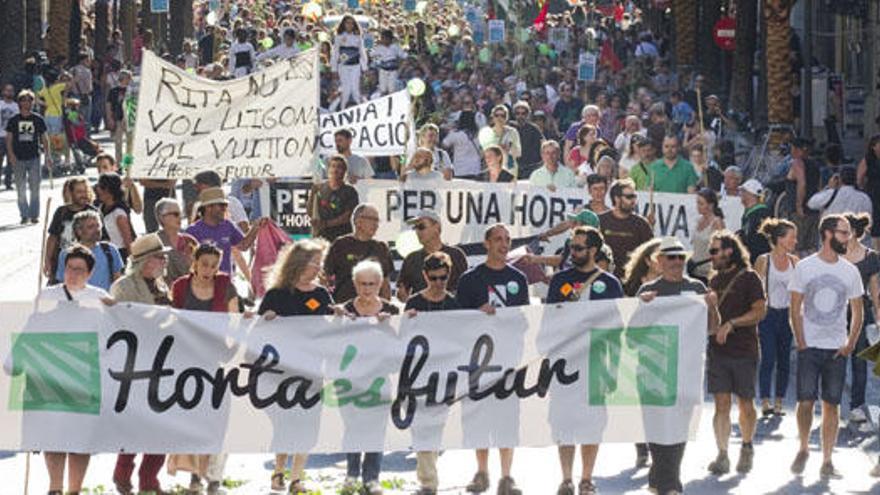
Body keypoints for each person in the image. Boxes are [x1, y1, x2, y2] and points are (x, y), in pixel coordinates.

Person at [636, 237, 718, 495]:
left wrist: (712, 308)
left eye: (681, 257)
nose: (676, 262)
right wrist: (642, 307)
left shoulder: (697, 288)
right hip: (653, 369)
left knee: (680, 423)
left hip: (686, 367)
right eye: (670, 257)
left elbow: (713, 328)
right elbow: (632, 334)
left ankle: (667, 479)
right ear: (659, 261)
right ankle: (667, 480)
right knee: (657, 424)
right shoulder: (647, 291)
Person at [547, 226, 624, 495]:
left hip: (597, 364)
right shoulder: (559, 281)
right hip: (565, 364)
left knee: (592, 424)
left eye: (578, 248)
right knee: (564, 422)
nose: (572, 252)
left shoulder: (610, 284)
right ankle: (566, 478)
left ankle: (586, 479)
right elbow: (548, 321)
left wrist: (614, 370)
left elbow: (616, 330)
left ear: (593, 250)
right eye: (571, 247)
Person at [455, 224, 529, 495]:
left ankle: (507, 477)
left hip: (509, 358)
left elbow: (524, 319)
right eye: (498, 239)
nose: (504, 244)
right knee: (478, 417)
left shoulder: (518, 278)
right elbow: (456, 321)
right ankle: (482, 472)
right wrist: (477, 313)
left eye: (507, 240)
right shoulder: (470, 279)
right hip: (477, 360)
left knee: (508, 419)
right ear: (486, 243)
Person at [789, 214, 864, 478]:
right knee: (805, 401)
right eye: (844, 233)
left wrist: (850, 343)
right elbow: (794, 307)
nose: (848, 238)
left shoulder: (850, 271)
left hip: (836, 347)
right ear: (828, 234)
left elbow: (858, 310)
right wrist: (801, 341)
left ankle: (828, 459)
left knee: (832, 404)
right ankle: (803, 447)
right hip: (809, 345)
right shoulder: (805, 267)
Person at [259, 239, 335, 494]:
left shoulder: (321, 294)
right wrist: (266, 320)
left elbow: (329, 327)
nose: (318, 267)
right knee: (284, 424)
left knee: (308, 424)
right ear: (299, 264)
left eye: (319, 263)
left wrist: (339, 317)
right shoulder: (276, 295)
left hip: (313, 371)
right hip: (282, 373)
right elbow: (256, 333)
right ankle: (278, 472)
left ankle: (297, 478)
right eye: (315, 262)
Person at [168, 243, 238, 495]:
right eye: (204, 264)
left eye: (214, 265)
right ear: (194, 263)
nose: (209, 269)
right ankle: (196, 477)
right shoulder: (180, 287)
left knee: (219, 421)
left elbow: (235, 319)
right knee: (193, 419)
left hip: (218, 362)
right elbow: (173, 320)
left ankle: (215, 477)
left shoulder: (225, 285)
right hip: (188, 362)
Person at [110, 234, 173, 495]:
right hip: (136, 365)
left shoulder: (161, 285)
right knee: (136, 425)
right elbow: (122, 321)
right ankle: (122, 474)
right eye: (159, 256)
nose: (164, 260)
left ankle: (150, 479)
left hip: (164, 363)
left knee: (164, 424)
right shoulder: (124, 287)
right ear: (145, 261)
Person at [705, 231, 767, 476]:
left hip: (744, 350)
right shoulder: (714, 280)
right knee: (721, 403)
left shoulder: (749, 277)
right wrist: (710, 309)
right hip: (718, 351)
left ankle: (746, 445)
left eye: (714, 251)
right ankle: (722, 453)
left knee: (745, 403)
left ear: (729, 251)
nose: (711, 257)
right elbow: (712, 320)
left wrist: (732, 324)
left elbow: (760, 311)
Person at [405, 252, 461, 495]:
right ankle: (428, 481)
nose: (439, 283)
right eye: (434, 278)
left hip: (446, 372)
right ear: (425, 276)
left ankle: (429, 475)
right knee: (420, 425)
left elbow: (463, 335)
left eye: (443, 278)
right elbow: (403, 337)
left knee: (437, 425)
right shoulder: (414, 303)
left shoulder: (454, 303)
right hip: (419, 373)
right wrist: (407, 321)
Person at [341, 259, 399, 495]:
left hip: (379, 378)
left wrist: (389, 326)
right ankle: (352, 474)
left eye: (372, 284)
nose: (367, 289)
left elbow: (401, 345)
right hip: (350, 379)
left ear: (380, 284)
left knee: (376, 427)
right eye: (362, 284)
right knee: (352, 427)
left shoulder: (391, 310)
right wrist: (341, 322)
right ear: (355, 284)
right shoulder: (344, 310)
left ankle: (372, 478)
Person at [753, 219, 799, 416]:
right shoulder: (764, 260)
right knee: (768, 358)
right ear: (780, 239)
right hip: (768, 314)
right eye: (792, 237)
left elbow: (800, 291)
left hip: (787, 315)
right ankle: (764, 400)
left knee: (784, 360)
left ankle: (779, 401)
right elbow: (754, 290)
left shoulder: (795, 262)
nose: (795, 241)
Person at [841, 213, 880, 424]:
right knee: (834, 357)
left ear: (855, 233)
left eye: (845, 231)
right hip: (836, 311)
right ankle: (833, 400)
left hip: (861, 311)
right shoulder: (833, 254)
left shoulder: (870, 256)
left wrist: (878, 314)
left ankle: (856, 405)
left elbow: (874, 288)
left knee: (859, 360)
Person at [324, 203, 393, 305]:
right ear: (358, 221)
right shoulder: (340, 244)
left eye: (377, 220)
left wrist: (386, 307)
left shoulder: (381, 247)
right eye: (372, 219)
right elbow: (326, 276)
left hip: (372, 310)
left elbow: (385, 283)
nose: (376, 224)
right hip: (344, 309)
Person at [186, 187, 264, 275]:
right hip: (203, 284)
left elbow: (243, 246)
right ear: (208, 207)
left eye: (225, 205)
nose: (225, 208)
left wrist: (256, 227)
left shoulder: (228, 225)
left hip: (225, 283)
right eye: (221, 205)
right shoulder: (192, 231)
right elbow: (186, 261)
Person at [397, 209, 468, 301]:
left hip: (450, 312)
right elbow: (402, 294)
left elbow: (467, 288)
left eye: (421, 226)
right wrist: (403, 295)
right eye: (415, 228)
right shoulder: (411, 259)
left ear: (436, 228)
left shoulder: (456, 255)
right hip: (420, 313)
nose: (417, 232)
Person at [6, 89, 50, 224]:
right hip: (18, 157)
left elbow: (44, 138)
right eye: (23, 100)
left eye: (29, 100)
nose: (26, 103)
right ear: (19, 102)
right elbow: (9, 139)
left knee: (35, 186)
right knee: (20, 187)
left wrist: (48, 155)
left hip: (34, 156)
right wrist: (11, 155)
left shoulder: (38, 119)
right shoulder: (14, 120)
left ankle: (34, 214)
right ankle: (24, 214)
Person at [44, 176, 98, 283]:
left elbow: (100, 238)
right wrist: (47, 260)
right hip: (63, 262)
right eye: (79, 192)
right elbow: (53, 237)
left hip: (85, 262)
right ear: (71, 193)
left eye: (85, 191)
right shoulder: (61, 212)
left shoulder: (93, 212)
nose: (83, 195)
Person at [55, 210, 124, 292]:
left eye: (98, 226)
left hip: (104, 302)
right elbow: (63, 282)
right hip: (78, 301)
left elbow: (118, 281)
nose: (97, 230)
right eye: (91, 227)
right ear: (79, 231)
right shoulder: (67, 253)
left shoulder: (110, 250)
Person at [599, 179, 654, 280]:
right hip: (604, 279)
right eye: (629, 197)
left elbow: (651, 255)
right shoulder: (600, 221)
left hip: (631, 281)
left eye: (634, 196)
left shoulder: (641, 224)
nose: (633, 201)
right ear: (616, 199)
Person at [307, 155, 359, 242]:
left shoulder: (350, 191)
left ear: (344, 171)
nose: (335, 170)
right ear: (328, 169)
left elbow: (347, 216)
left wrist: (326, 224)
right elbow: (310, 212)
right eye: (333, 166)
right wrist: (312, 194)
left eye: (339, 167)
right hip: (321, 237)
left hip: (342, 237)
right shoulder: (319, 188)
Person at [786, 137, 821, 254]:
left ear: (796, 149)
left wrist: (799, 205)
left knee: (796, 245)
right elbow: (819, 186)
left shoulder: (797, 163)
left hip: (800, 211)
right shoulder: (815, 164)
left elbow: (802, 183)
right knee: (811, 245)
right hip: (813, 209)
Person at [95, 172, 135, 261]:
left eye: (101, 187)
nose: (98, 189)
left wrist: (132, 260)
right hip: (105, 252)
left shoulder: (118, 213)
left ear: (108, 190)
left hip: (120, 254)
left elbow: (128, 240)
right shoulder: (101, 208)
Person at [155, 197, 197, 282]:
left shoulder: (189, 241)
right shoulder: (154, 242)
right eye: (175, 214)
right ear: (162, 217)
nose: (180, 218)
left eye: (181, 214)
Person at [332, 14, 368, 108]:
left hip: (355, 66)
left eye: (352, 23)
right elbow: (335, 53)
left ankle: (359, 110)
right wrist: (334, 69)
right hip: (343, 66)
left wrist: (364, 67)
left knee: (355, 90)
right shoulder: (339, 37)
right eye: (347, 23)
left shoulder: (358, 36)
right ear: (344, 24)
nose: (350, 25)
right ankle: (343, 110)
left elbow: (362, 52)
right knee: (346, 90)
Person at [807, 166, 873, 217]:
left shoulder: (830, 194)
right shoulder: (864, 198)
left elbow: (811, 203)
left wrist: (828, 187)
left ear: (840, 179)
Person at [690, 189, 725, 282]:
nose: (698, 207)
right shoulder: (698, 220)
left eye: (701, 204)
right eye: (697, 203)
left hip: (708, 273)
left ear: (710, 205)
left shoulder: (717, 223)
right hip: (694, 270)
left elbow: (722, 249)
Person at [736, 179, 772, 262]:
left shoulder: (762, 213)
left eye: (743, 191)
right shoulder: (749, 213)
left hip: (758, 260)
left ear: (749, 194)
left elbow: (759, 240)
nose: (740, 194)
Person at [481, 105, 521, 176]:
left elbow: (518, 153)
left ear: (506, 118)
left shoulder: (512, 132)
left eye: (503, 115)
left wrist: (508, 149)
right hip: (492, 171)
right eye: (497, 115)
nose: (499, 118)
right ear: (493, 117)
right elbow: (482, 154)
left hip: (509, 169)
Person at [856, 134, 880, 249]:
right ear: (873, 146)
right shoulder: (868, 159)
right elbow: (859, 177)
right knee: (875, 220)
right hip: (873, 192)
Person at [443, 111, 483, 179]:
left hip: (460, 169)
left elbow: (444, 145)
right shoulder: (479, 135)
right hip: (475, 169)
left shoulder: (456, 134)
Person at [511, 100, 544, 178]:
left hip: (530, 168)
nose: (520, 116)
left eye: (523, 113)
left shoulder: (534, 129)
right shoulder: (509, 127)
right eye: (517, 113)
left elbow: (542, 145)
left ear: (527, 115)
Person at [105, 69, 131, 165]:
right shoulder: (113, 91)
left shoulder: (131, 90)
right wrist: (109, 118)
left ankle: (128, 163)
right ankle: (119, 163)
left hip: (130, 120)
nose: (129, 80)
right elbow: (108, 105)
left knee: (130, 144)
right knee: (118, 143)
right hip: (118, 118)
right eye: (128, 78)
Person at [371, 29, 406, 95]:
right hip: (383, 70)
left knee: (391, 89)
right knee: (383, 89)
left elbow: (403, 55)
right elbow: (371, 54)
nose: (383, 40)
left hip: (393, 70)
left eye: (385, 38)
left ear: (390, 39)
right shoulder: (379, 48)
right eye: (382, 38)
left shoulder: (395, 47)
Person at [0, 83, 20, 190]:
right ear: (3, 92)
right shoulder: (0, 104)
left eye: (11, 90)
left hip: (11, 137)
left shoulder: (15, 106)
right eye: (7, 90)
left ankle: (8, 182)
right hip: (0, 136)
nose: (9, 92)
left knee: (11, 161)